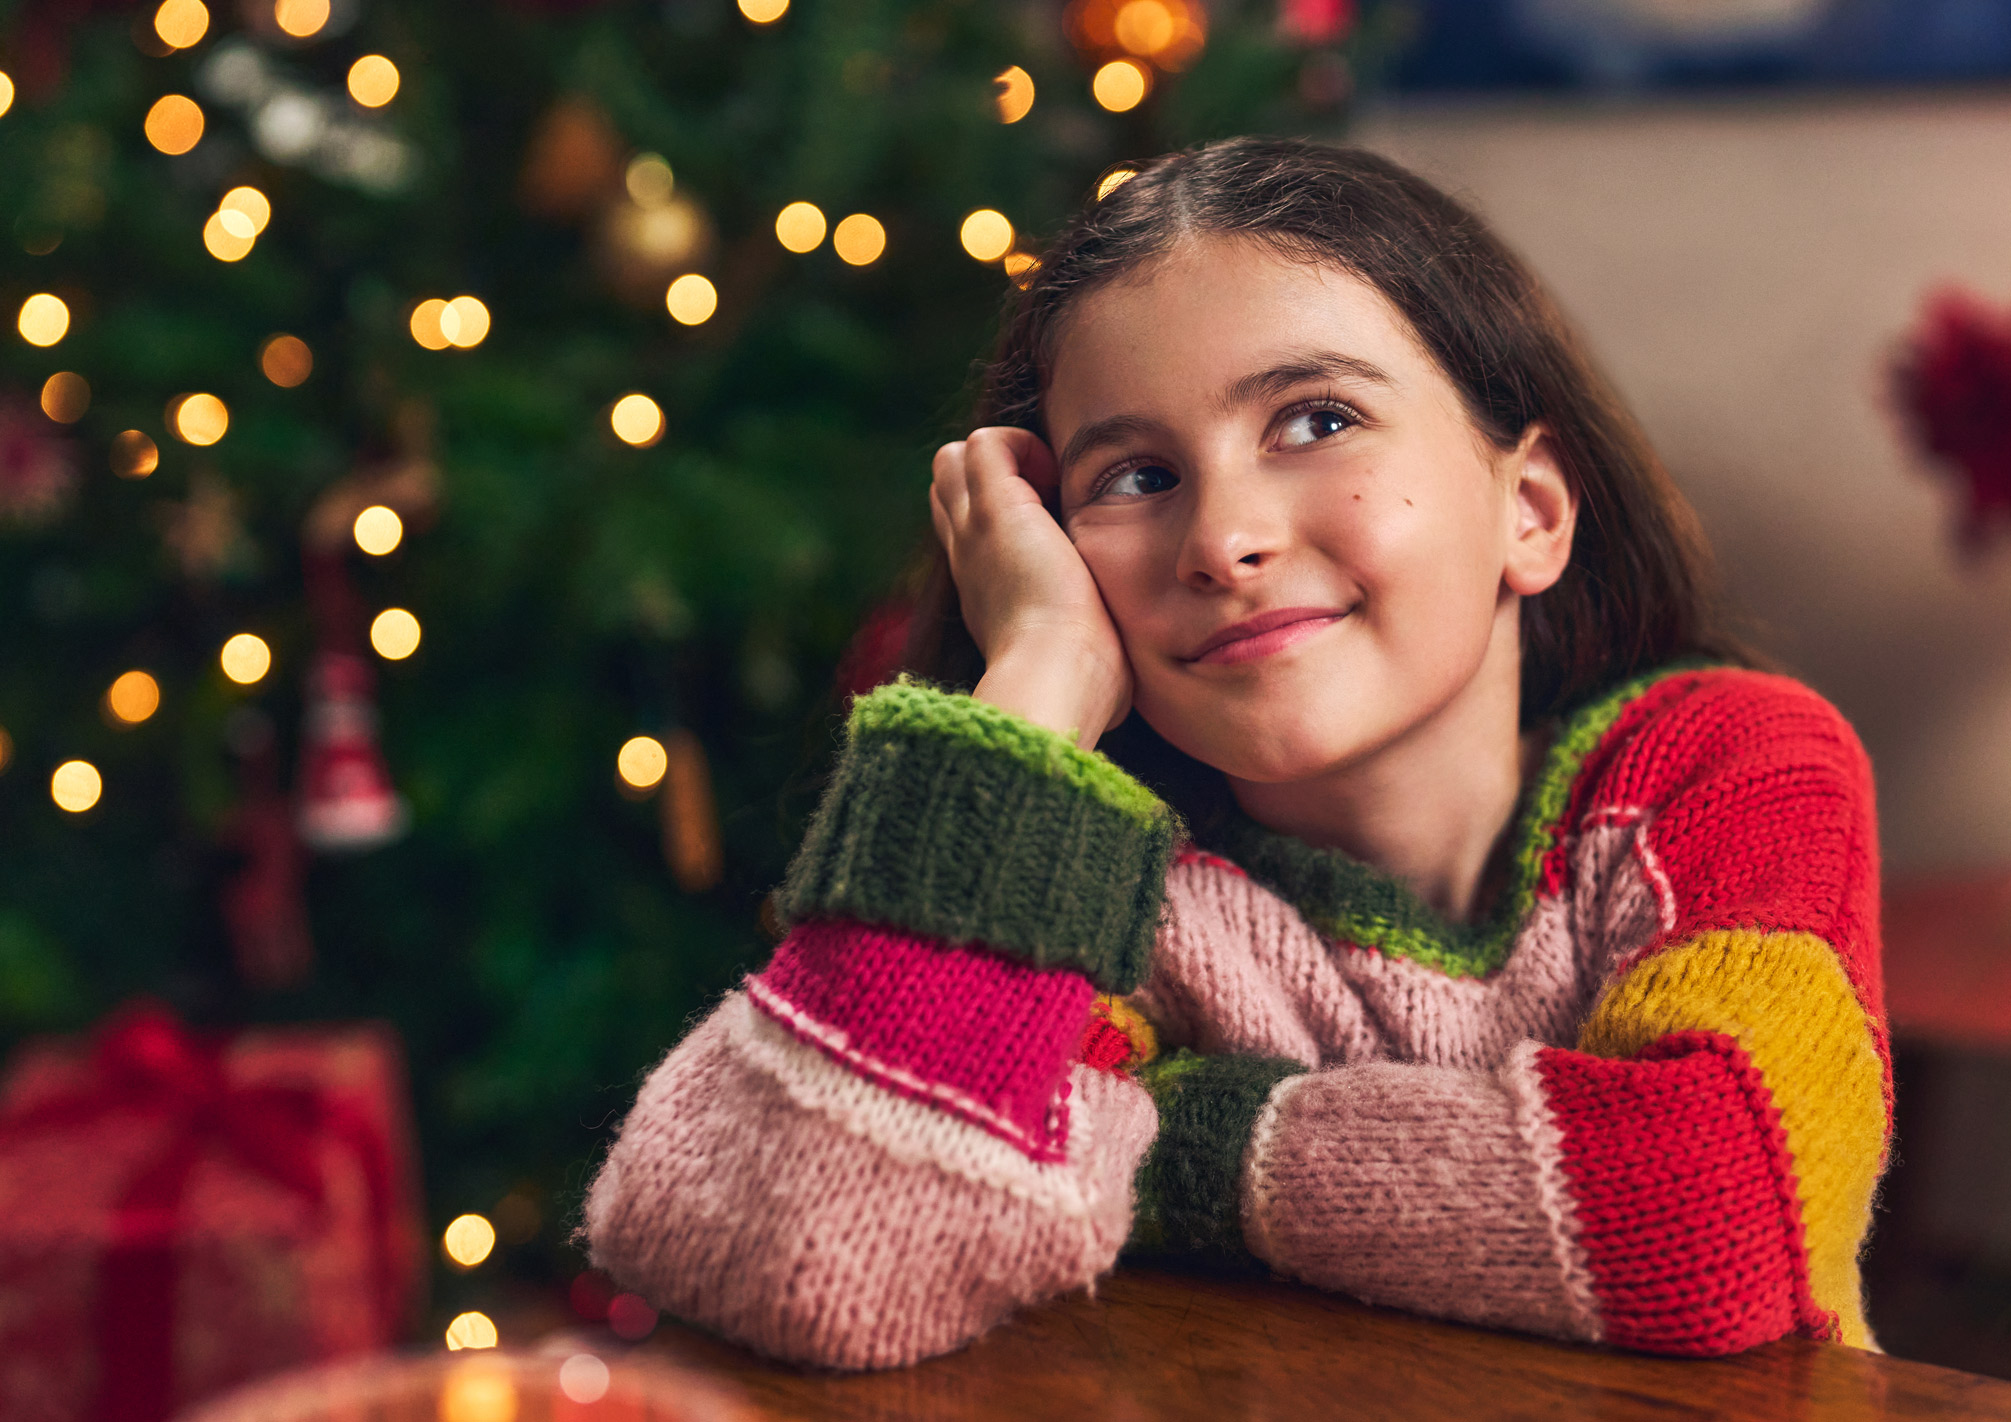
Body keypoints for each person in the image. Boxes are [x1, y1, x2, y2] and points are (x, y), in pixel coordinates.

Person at [583, 135, 1890, 1370]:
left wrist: (1171, 1134)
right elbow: (798, 1250)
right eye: (1136, 478)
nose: (1221, 539)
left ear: (1531, 512)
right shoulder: (1123, 892)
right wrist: (1035, 682)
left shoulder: (1733, 769)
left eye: (1315, 420)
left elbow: (1721, 1213)